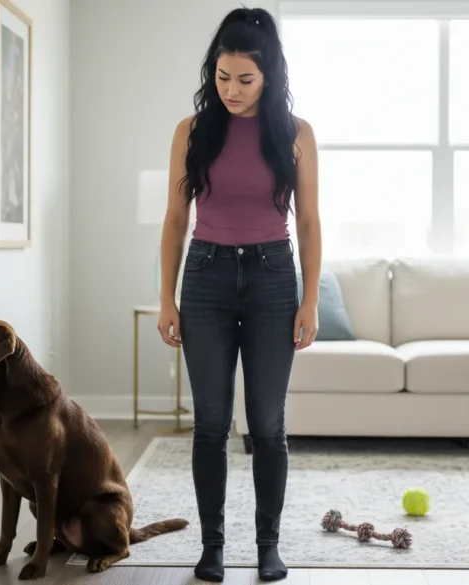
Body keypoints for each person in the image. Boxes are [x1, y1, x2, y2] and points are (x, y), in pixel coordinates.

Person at [156, 6, 321, 583]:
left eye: (245, 79)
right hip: (206, 277)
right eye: (222, 77)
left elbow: (309, 222)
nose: (231, 90)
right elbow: (176, 219)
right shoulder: (192, 131)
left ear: (269, 76)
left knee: (268, 425)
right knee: (210, 424)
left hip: (274, 278)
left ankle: (268, 546)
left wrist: (310, 299)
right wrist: (167, 297)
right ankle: (213, 547)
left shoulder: (297, 134)